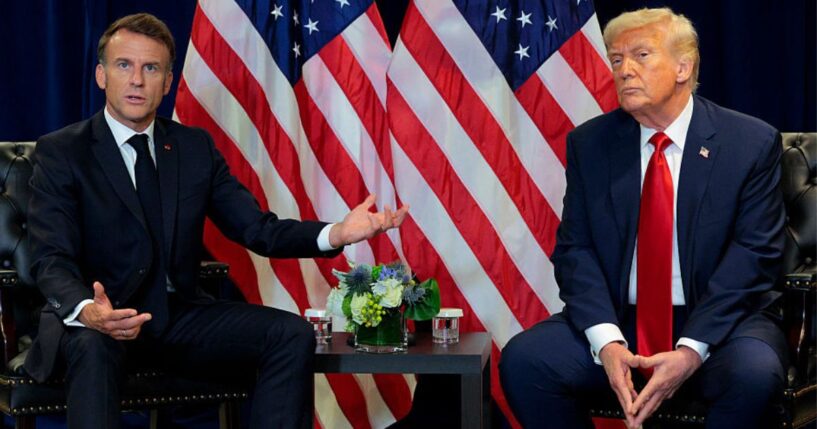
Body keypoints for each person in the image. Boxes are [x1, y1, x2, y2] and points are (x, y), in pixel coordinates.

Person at [23, 12, 408, 429]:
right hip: (99, 321)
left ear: (168, 82)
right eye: (124, 66)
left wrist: (337, 232)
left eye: (151, 68)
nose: (137, 80)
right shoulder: (62, 152)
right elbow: (50, 258)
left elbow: (258, 229)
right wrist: (86, 309)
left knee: (290, 334)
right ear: (101, 75)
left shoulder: (193, 148)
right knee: (93, 349)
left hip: (178, 317)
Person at [500, 7, 786, 429]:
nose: (624, 70)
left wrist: (691, 349)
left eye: (641, 55)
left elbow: (754, 256)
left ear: (683, 67)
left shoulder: (749, 143)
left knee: (755, 372)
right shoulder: (591, 144)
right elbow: (575, 251)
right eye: (616, 59)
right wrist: (607, 343)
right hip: (623, 323)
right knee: (527, 361)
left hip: (720, 323)